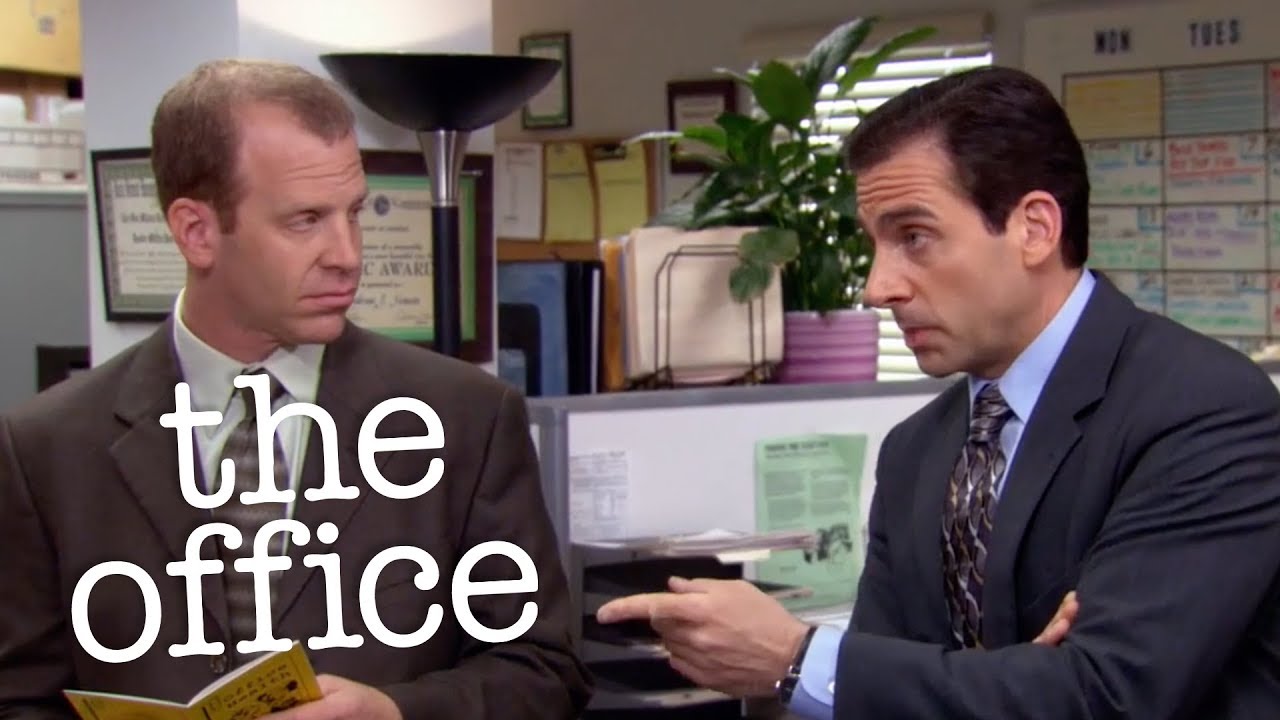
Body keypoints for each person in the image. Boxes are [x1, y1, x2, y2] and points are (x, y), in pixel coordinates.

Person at [596, 65, 1280, 718]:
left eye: (915, 237)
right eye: (875, 243)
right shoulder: (916, 451)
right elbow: (886, 701)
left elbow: (1106, 696)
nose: (877, 286)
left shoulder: (1202, 411)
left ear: (1035, 228)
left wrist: (795, 658)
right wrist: (1016, 681)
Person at [0, 59, 591, 719]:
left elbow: (545, 673)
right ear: (197, 232)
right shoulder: (46, 449)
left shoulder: (464, 419)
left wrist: (394, 713)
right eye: (305, 220)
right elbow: (20, 699)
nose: (347, 255)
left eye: (353, 213)